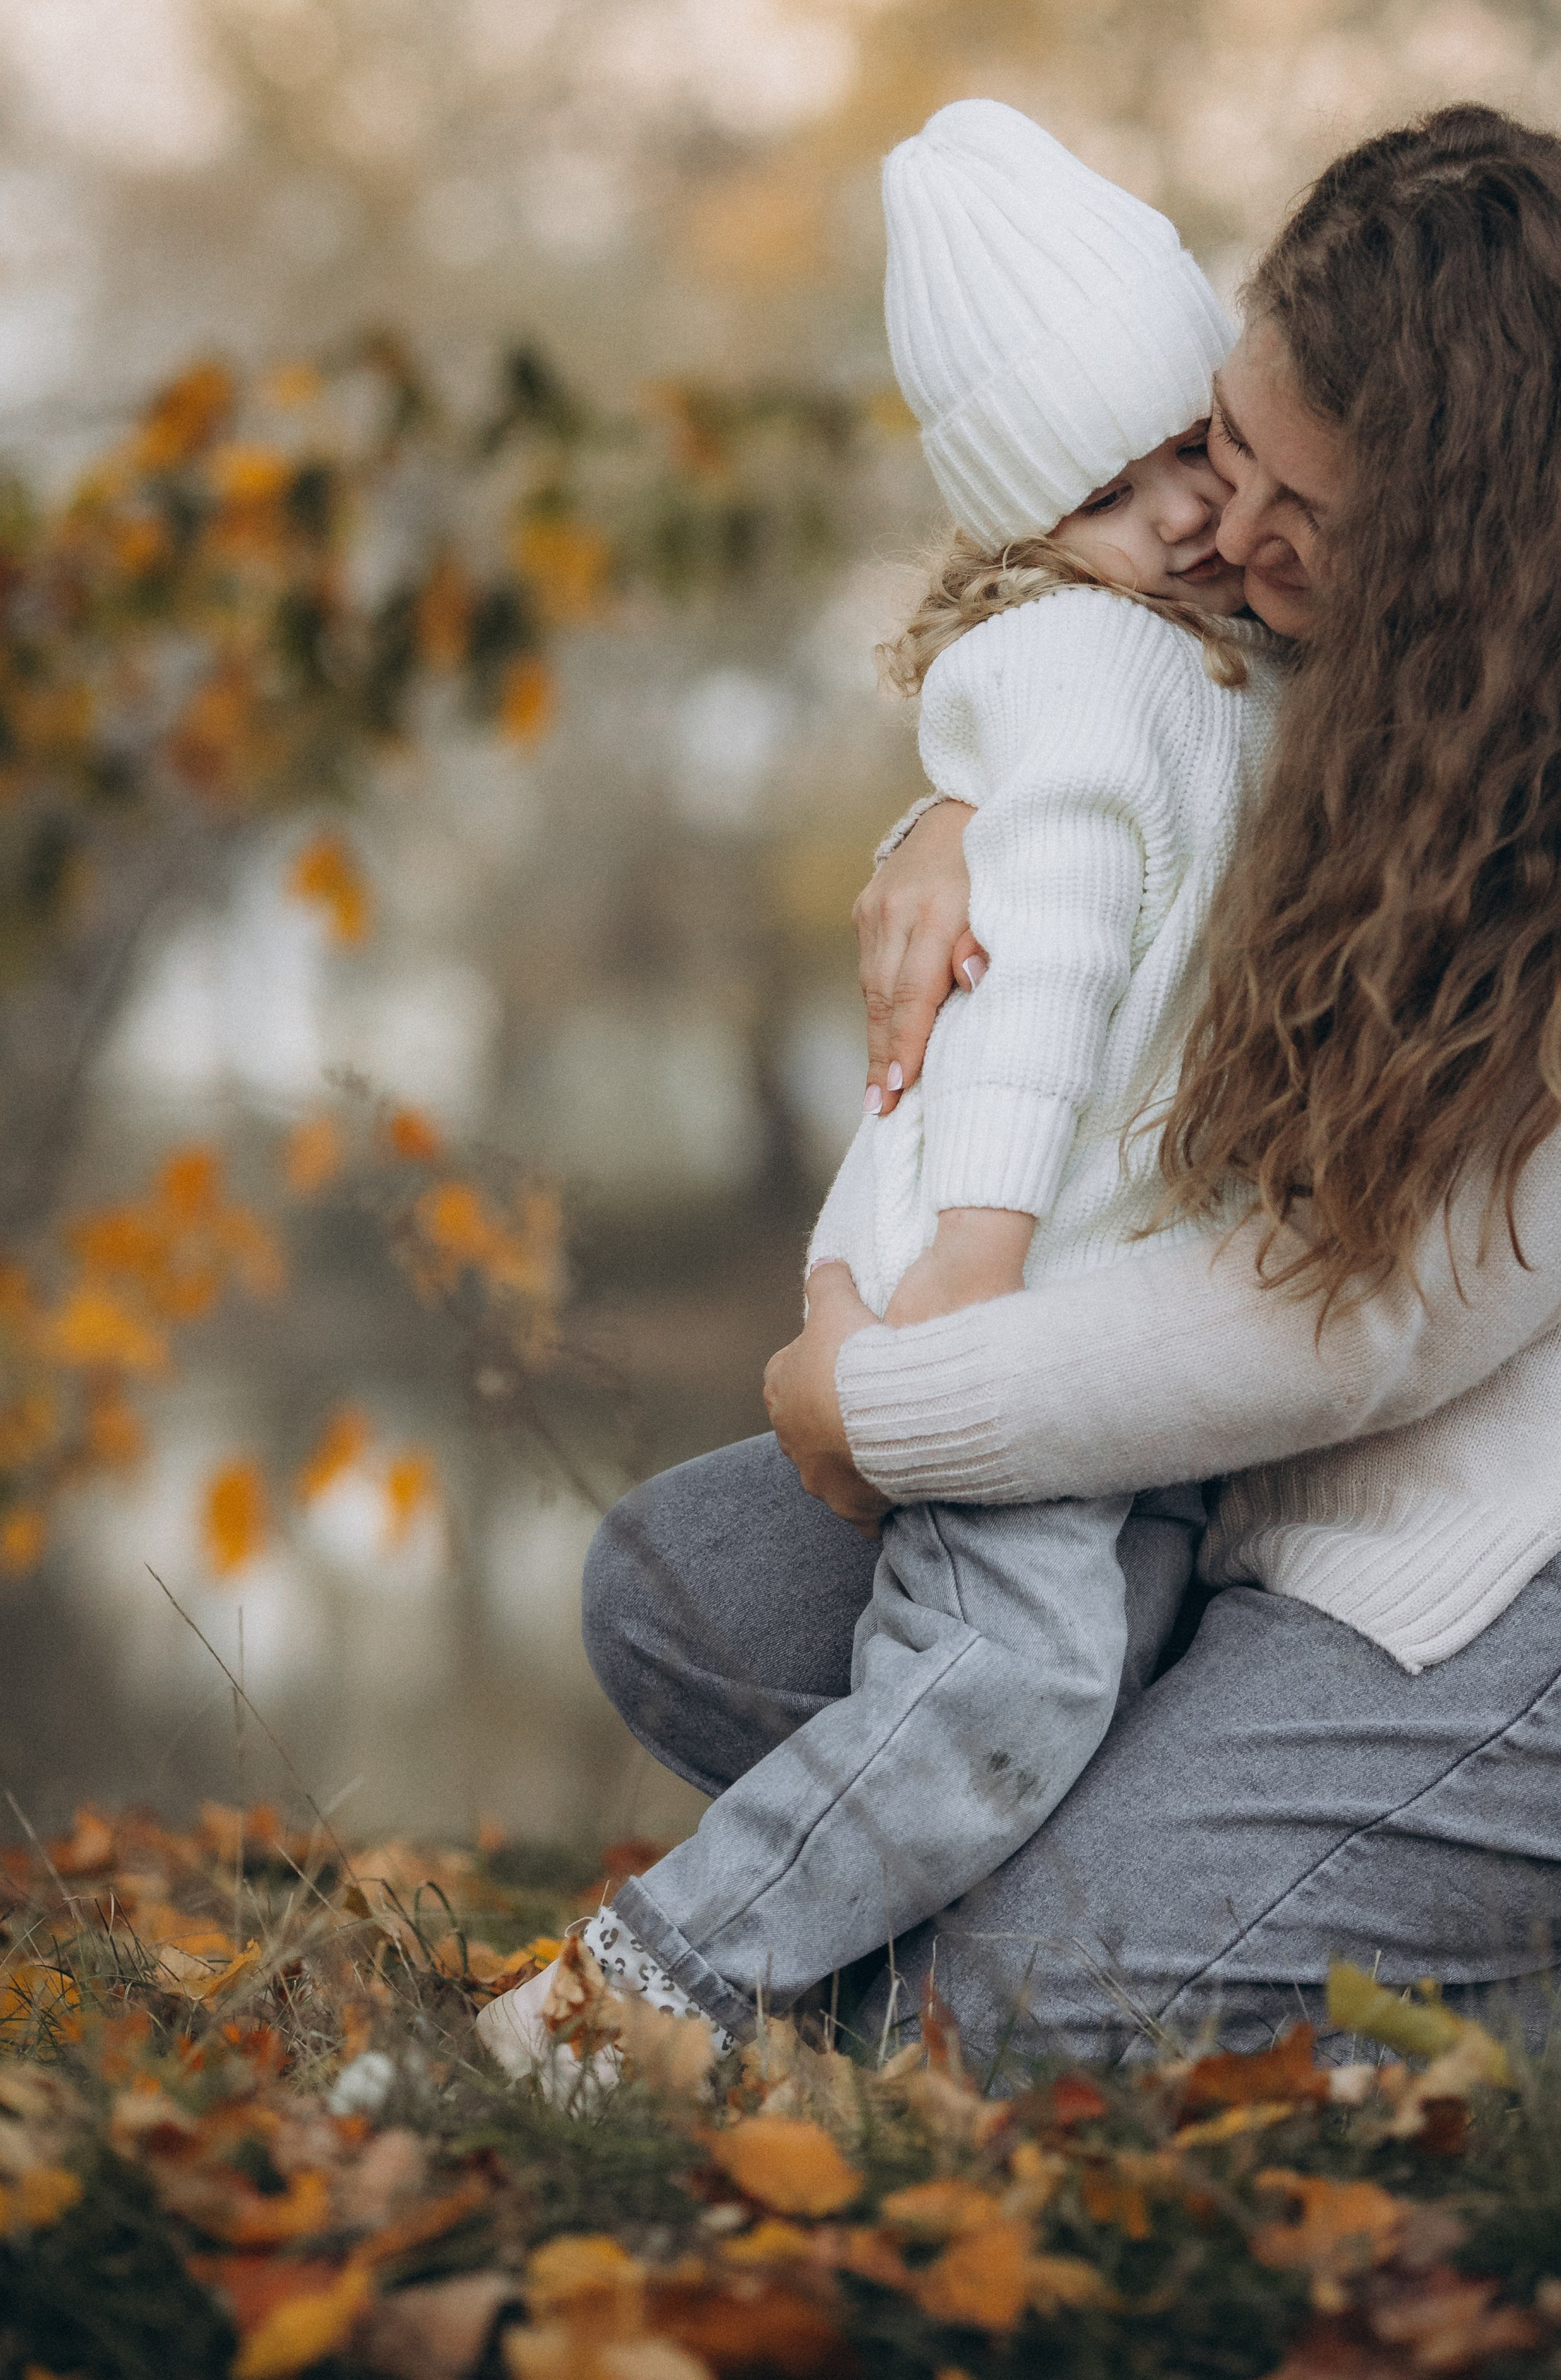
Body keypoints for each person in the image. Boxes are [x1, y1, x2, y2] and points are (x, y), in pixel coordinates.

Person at [591, 103, 1561, 2080]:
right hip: (1340, 1458)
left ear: (1470, 516)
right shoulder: (1439, 656)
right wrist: (959, 814)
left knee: (1020, 2010)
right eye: (1227, 446)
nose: (1228, 533)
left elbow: (1381, 1313)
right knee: (691, 1595)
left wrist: (896, 1402)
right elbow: (1149, 772)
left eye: (1306, 507)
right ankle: (1166, 1901)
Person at [482, 100, 1284, 2078]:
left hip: (1103, 1301)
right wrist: (973, 1281)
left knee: (1073, 1687)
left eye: (1194, 450)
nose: (1180, 515)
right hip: (1005, 1280)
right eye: (1109, 494)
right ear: (1029, 533)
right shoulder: (1096, 663)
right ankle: (639, 1990)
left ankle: (852, 2013)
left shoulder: (1206, 658)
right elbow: (1048, 978)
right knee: (1003, 1680)